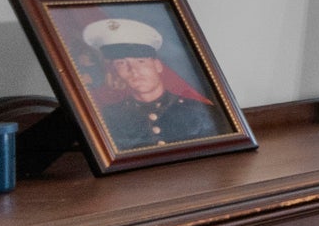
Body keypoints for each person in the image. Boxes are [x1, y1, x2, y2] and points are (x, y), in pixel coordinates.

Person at [82, 18, 225, 150]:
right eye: (121, 63)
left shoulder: (200, 112)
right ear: (115, 71)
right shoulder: (108, 119)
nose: (133, 70)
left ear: (157, 65)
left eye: (141, 61)